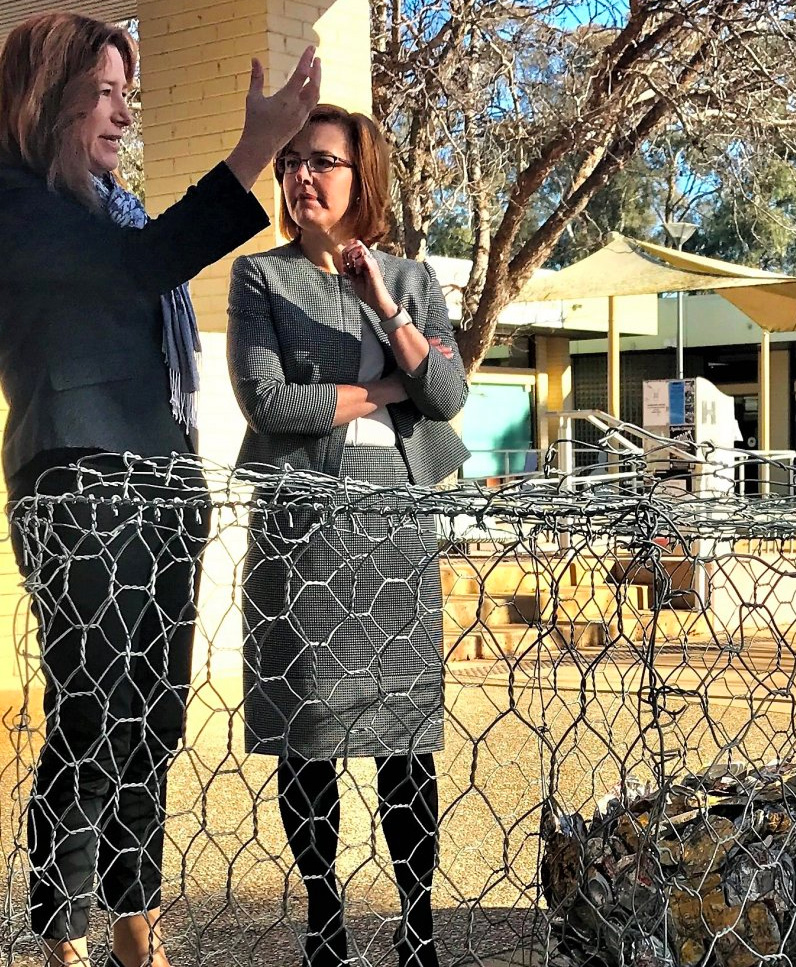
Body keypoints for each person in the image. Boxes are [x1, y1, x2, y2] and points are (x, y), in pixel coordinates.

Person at [0, 13, 320, 967]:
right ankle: (65, 935)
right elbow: (138, 271)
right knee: (92, 712)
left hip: (159, 478)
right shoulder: (2, 200)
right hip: (77, 479)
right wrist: (254, 150)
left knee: (153, 718)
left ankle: (137, 931)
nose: (123, 115)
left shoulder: (106, 203)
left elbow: (140, 263)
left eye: (129, 95)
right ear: (50, 94)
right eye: (107, 94)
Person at [225, 104, 470, 967]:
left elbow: (445, 395)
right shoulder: (261, 279)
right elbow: (267, 403)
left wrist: (381, 306)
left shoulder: (411, 277)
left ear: (361, 175)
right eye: (289, 161)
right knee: (310, 729)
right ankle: (323, 919)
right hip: (304, 525)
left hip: (396, 518)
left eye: (321, 161)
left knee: (405, 730)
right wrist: (387, 390)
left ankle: (418, 921)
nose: (301, 177)